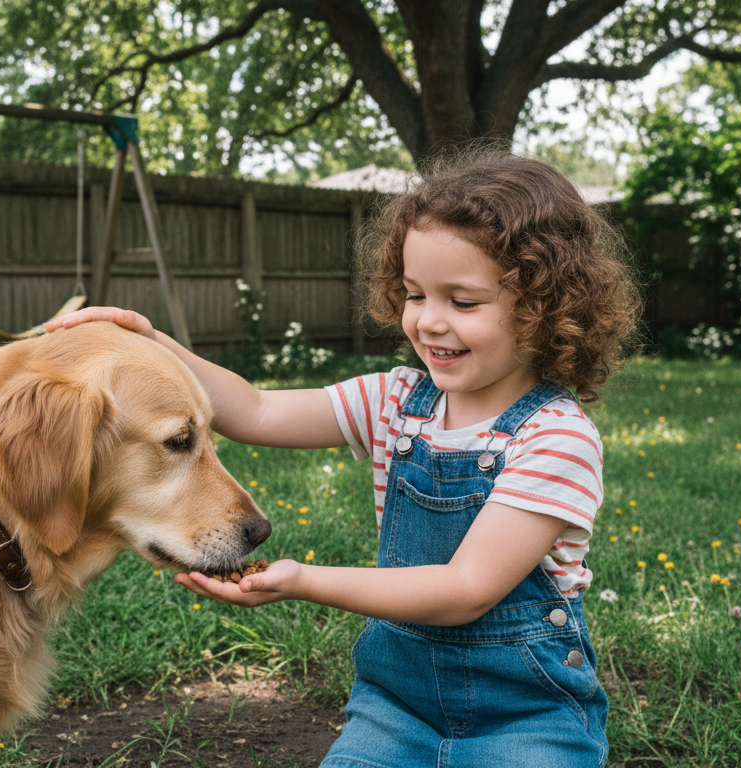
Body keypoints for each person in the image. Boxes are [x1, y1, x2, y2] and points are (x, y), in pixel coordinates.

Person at [46, 149, 640, 767]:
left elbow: (466, 590)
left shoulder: (555, 438)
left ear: (545, 307)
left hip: (528, 718)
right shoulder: (394, 401)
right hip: (396, 710)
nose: (429, 322)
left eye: (462, 302)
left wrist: (304, 581)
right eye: (414, 294)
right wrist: (152, 342)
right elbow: (255, 411)